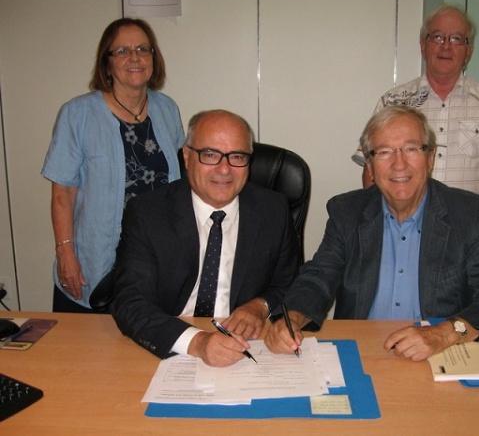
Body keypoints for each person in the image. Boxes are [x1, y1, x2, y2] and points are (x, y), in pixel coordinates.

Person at [266, 105, 479, 362]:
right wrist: (293, 317)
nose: (399, 164)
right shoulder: (347, 212)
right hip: (362, 351)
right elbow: (318, 277)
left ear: (430, 158)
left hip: (440, 354)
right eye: (384, 152)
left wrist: (443, 334)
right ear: (370, 165)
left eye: (411, 149)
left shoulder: (467, 213)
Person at [110, 109, 301, 366]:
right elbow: (130, 301)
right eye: (210, 155)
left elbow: (292, 284)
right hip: (172, 344)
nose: (224, 169)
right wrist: (197, 342)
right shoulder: (148, 213)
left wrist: (260, 306)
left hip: (248, 349)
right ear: (187, 157)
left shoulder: (273, 210)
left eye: (237, 156)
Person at [41, 18, 185, 312]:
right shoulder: (78, 114)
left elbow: (180, 182)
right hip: (96, 264)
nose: (134, 57)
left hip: (155, 261)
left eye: (143, 49)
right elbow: (62, 194)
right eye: (122, 51)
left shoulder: (167, 109)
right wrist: (66, 252)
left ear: (153, 58)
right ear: (106, 63)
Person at [352, 4, 479, 234]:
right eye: (437, 37)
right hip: (404, 232)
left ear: (469, 51)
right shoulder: (393, 101)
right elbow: (371, 169)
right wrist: (387, 229)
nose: (446, 46)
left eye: (456, 39)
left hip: (466, 232)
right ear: (423, 46)